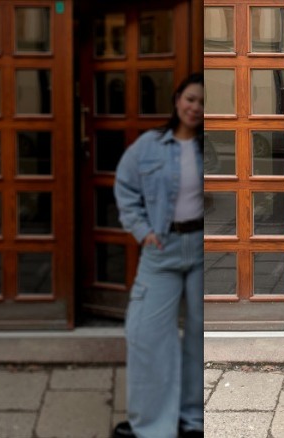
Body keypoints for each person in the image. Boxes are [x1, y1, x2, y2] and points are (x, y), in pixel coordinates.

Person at [112, 73, 205, 438]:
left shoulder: (211, 145)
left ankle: (195, 419)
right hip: (162, 248)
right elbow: (125, 188)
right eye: (191, 99)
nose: (196, 108)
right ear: (178, 99)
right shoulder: (148, 145)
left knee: (200, 334)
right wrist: (142, 231)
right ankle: (152, 425)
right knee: (147, 333)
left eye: (203, 103)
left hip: (201, 247)